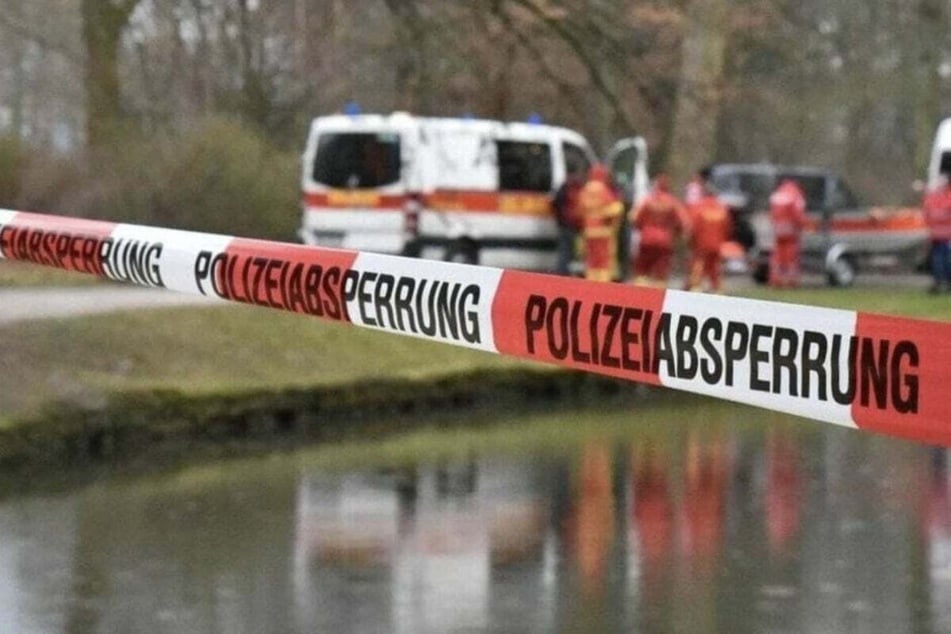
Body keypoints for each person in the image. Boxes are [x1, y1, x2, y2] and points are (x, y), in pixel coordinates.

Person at [630, 174, 689, 287]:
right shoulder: (673, 202)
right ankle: (657, 298)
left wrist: (642, 229)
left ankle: (639, 297)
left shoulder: (647, 200)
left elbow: (635, 218)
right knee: (660, 272)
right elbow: (684, 222)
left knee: (641, 270)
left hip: (646, 239)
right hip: (664, 241)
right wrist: (676, 234)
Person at [578, 164, 623, 282]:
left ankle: (591, 281)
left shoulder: (585, 190)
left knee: (591, 260)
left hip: (588, 230)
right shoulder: (603, 189)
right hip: (603, 231)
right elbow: (615, 208)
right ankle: (602, 284)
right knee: (602, 261)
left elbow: (580, 209)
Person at [685, 178, 731, 292]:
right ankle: (717, 289)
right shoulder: (722, 208)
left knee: (698, 265)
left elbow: (693, 228)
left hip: (701, 244)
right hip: (717, 244)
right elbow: (727, 227)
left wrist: (691, 242)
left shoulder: (698, 207)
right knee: (715, 267)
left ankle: (696, 287)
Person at [768, 178, 808, 288]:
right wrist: (801, 226)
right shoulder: (796, 195)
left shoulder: (777, 194)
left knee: (777, 256)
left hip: (777, 229)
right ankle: (791, 281)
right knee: (791, 256)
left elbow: (772, 213)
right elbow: (798, 214)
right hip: (791, 230)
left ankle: (776, 279)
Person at [922, 169, 951, 293]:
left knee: (939, 259)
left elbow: (927, 214)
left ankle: (939, 283)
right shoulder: (947, 197)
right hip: (945, 235)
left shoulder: (932, 198)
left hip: (937, 235)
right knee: (943, 259)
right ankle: (944, 283)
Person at [552, 170, 584, 275]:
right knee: (574, 251)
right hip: (577, 225)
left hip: (565, 224)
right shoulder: (581, 188)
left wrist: (559, 219)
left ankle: (562, 272)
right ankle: (570, 272)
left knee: (564, 250)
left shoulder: (565, 187)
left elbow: (555, 204)